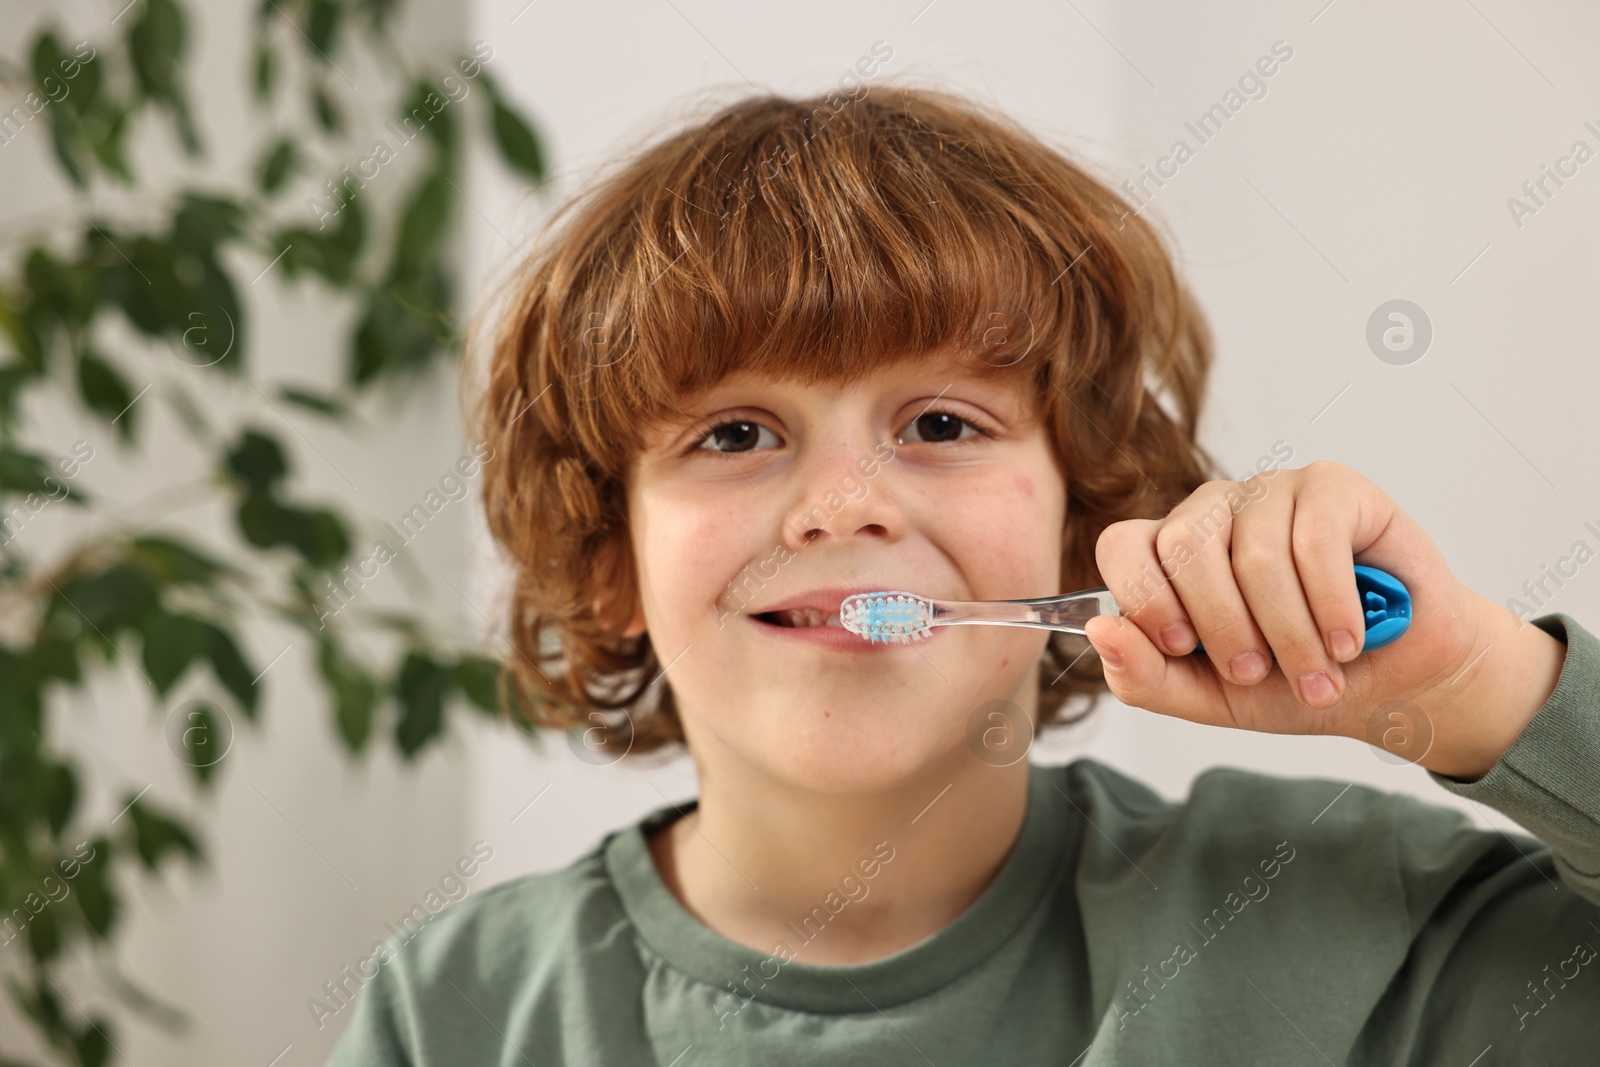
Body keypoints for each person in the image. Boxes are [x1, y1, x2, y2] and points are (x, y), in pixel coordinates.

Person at [325, 84, 1599, 1065]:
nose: (839, 507)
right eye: (733, 434)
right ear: (609, 561)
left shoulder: (1363, 928)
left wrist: (1479, 680)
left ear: (1077, 525)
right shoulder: (453, 1015)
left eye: (939, 424)